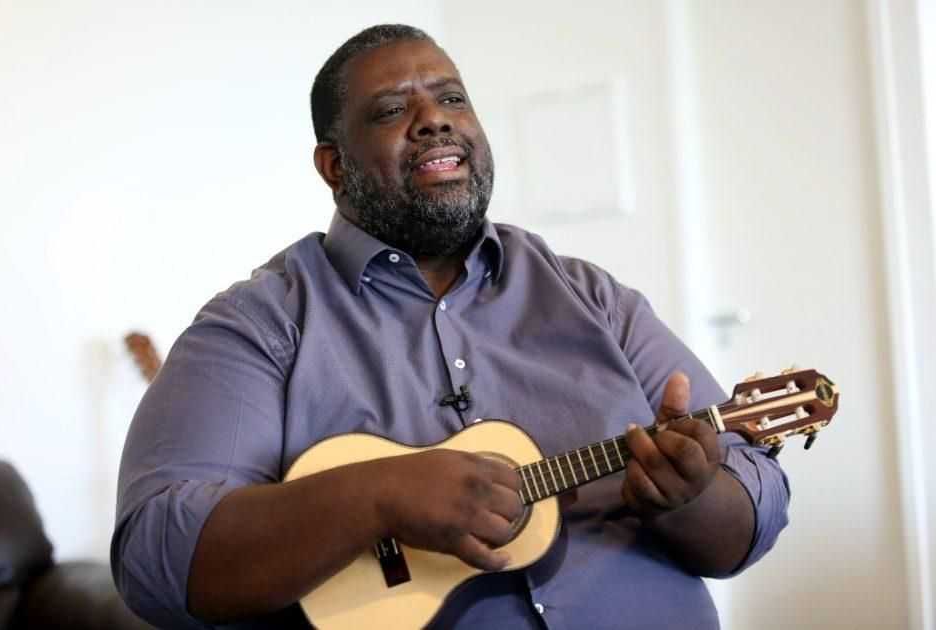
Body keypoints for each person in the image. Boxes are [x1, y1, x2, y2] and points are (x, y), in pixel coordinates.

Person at [112, 24, 789, 630]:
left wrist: (689, 498)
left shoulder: (595, 299)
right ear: (334, 166)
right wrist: (376, 497)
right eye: (392, 109)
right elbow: (159, 560)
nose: (435, 120)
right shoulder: (258, 325)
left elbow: (751, 512)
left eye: (453, 98)